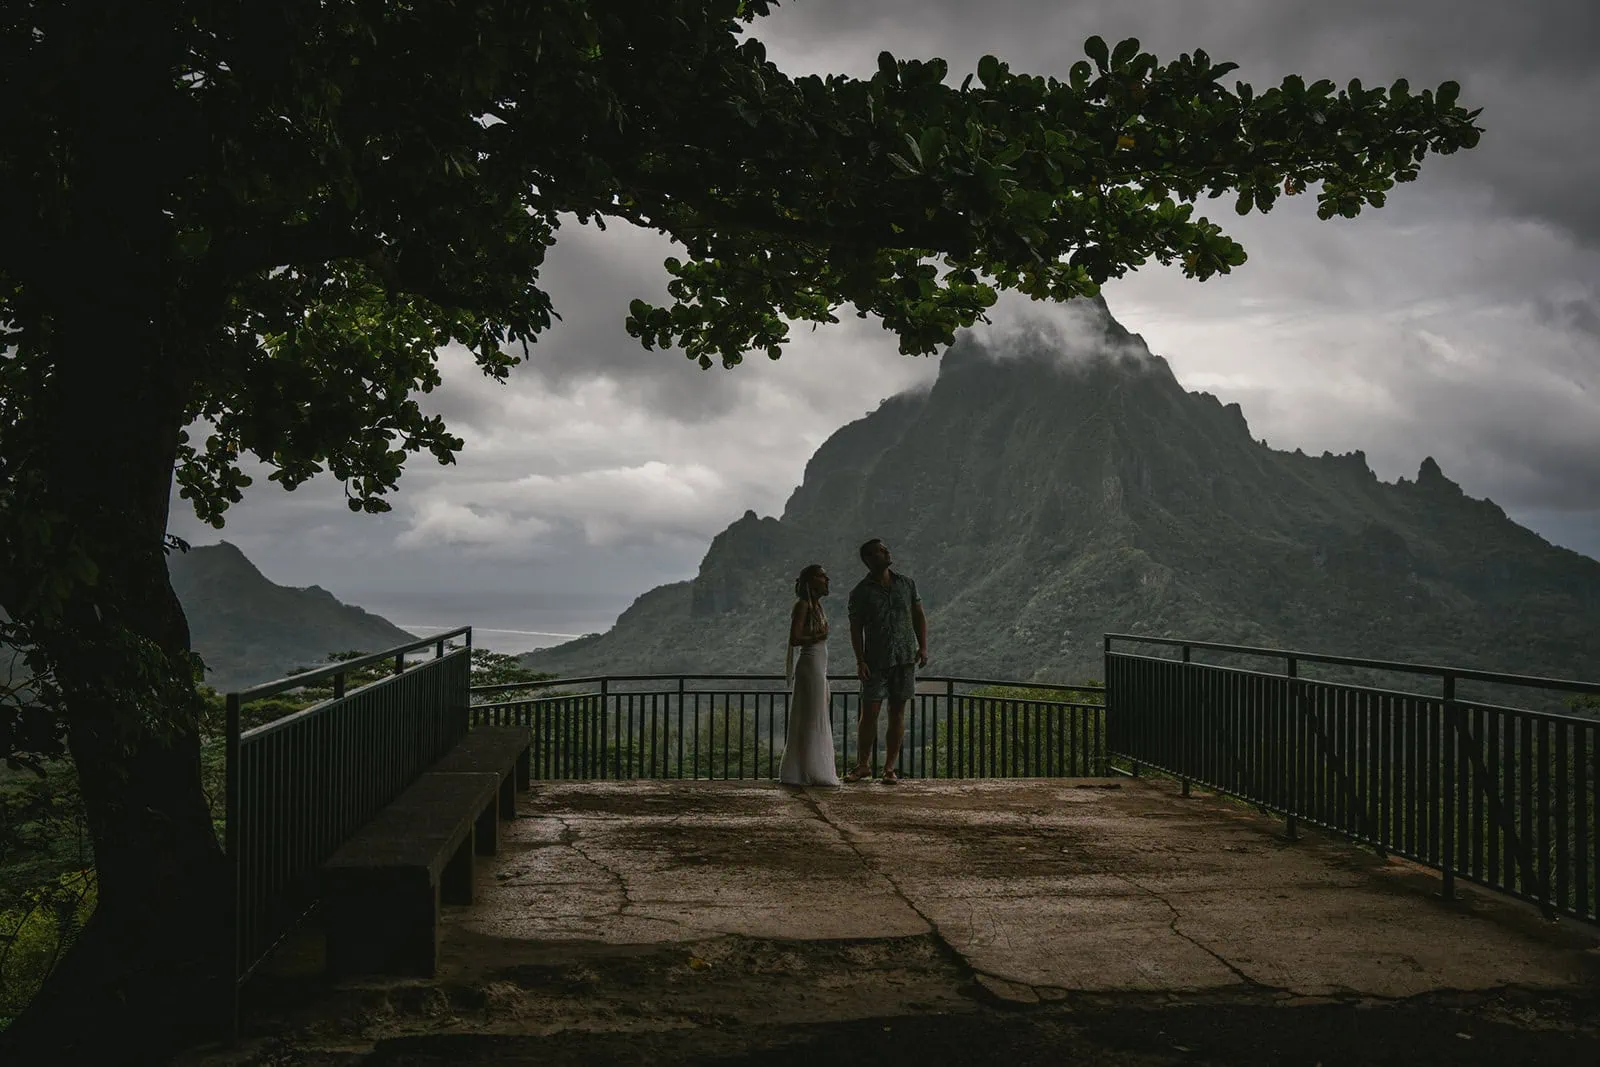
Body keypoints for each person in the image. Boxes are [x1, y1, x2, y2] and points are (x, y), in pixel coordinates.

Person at [845, 539, 928, 784]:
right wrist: (860, 661)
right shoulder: (860, 592)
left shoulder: (906, 584)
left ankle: (889, 768)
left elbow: (918, 616)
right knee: (869, 712)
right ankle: (863, 765)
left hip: (904, 658)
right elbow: (855, 628)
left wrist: (923, 647)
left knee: (897, 712)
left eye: (885, 549)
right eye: (881, 551)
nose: (887, 552)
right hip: (875, 661)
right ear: (869, 559)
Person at [778, 563, 840, 787]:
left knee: (815, 715)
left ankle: (808, 768)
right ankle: (810, 770)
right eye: (823, 577)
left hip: (818, 666)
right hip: (810, 665)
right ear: (811, 581)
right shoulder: (803, 605)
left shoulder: (817, 607)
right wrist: (819, 635)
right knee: (812, 717)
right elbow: (794, 639)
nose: (827, 580)